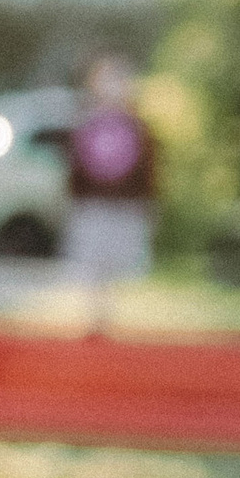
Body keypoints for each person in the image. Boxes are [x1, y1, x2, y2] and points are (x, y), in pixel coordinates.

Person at [65, 50, 157, 324]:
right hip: (92, 205)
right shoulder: (84, 122)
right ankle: (95, 320)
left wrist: (150, 203)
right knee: (93, 264)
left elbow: (148, 169)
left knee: (120, 263)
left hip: (126, 205)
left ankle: (111, 321)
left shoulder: (138, 125)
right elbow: (75, 167)